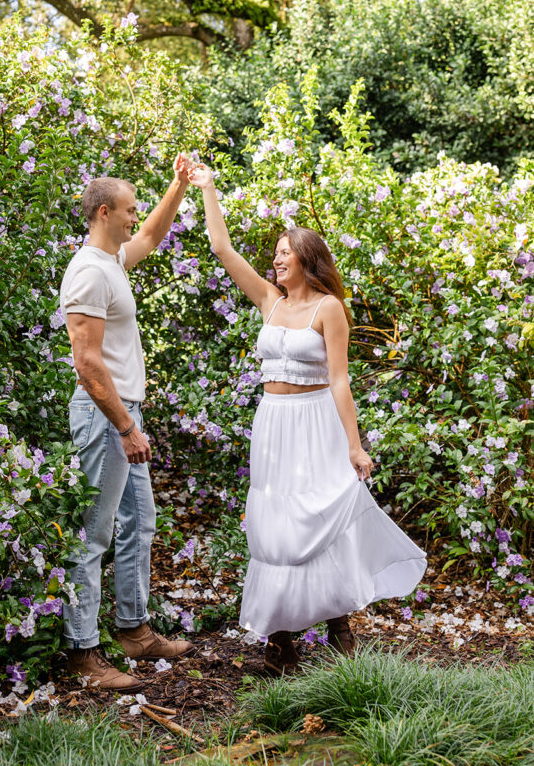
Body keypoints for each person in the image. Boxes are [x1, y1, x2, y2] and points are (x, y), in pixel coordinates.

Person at [188, 163, 427, 674]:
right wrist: (208, 189)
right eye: (274, 253)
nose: (275, 260)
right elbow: (222, 250)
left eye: (283, 252)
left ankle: (341, 631)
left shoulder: (328, 309)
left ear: (307, 259)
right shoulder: (269, 302)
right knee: (276, 526)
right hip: (273, 423)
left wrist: (355, 445)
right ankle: (282, 645)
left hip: (315, 422)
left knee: (319, 520)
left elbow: (340, 380)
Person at [60, 158, 194, 691]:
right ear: (103, 212)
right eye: (129, 208)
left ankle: (134, 630)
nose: (135, 216)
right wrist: (124, 425)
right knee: (93, 535)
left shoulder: (112, 261)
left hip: (123, 414)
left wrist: (178, 186)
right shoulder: (89, 270)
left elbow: (152, 235)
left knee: (141, 521)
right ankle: (82, 653)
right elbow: (87, 362)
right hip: (103, 416)